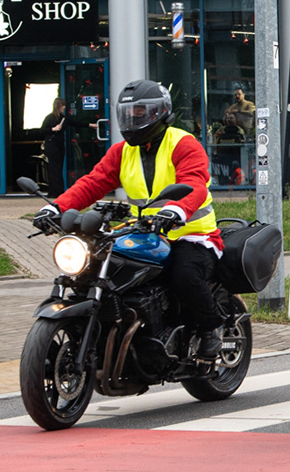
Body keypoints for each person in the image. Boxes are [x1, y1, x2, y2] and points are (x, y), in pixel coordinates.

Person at [38, 79, 226, 360]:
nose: (133, 120)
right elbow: (92, 183)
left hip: (190, 234)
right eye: (127, 114)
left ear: (161, 113)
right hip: (145, 235)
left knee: (184, 275)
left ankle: (211, 328)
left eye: (140, 113)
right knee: (103, 266)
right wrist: (56, 208)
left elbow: (194, 183)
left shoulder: (183, 144)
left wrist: (176, 210)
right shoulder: (121, 151)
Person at [40, 96, 69, 197]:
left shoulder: (63, 118)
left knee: (58, 168)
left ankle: (56, 191)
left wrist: (89, 125)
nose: (64, 107)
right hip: (52, 146)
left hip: (59, 145)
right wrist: (53, 129)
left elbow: (74, 123)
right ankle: (56, 191)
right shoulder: (50, 118)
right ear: (58, 106)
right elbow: (42, 130)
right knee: (54, 169)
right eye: (63, 105)